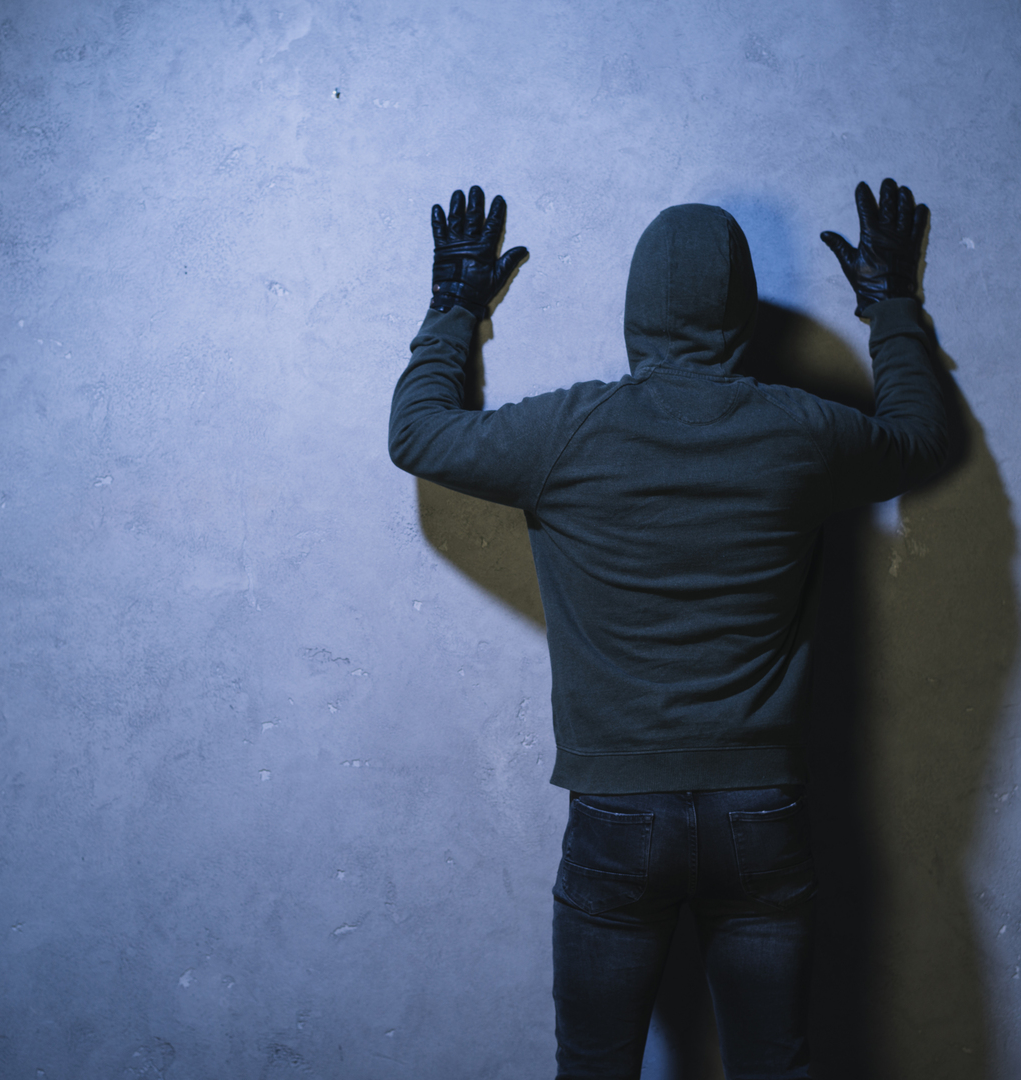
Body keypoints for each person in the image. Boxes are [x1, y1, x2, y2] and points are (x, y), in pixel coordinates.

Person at [388, 180, 949, 1080]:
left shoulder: (569, 431)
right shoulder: (801, 431)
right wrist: (889, 306)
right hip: (761, 809)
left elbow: (417, 434)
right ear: (742, 314)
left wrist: (454, 306)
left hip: (620, 814)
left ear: (636, 307)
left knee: (594, 1069)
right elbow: (920, 439)